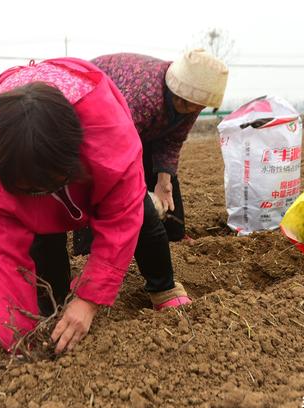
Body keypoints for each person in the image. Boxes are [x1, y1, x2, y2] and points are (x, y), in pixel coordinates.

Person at [0, 57, 190, 354]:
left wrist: (89, 300)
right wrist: (18, 336)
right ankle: (54, 313)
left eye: (51, 184)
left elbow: (121, 216)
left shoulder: (106, 131)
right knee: (42, 241)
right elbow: (3, 259)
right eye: (32, 190)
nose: (43, 194)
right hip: (28, 178)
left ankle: (163, 288)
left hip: (92, 167)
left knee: (142, 218)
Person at [73, 49, 229, 254]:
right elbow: (118, 146)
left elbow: (171, 142)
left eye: (196, 106)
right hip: (99, 122)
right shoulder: (145, 94)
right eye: (183, 101)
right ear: (175, 88)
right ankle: (88, 248)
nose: (190, 108)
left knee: (166, 182)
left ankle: (173, 234)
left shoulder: (193, 100)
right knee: (104, 180)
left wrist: (163, 182)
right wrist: (134, 186)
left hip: (135, 128)